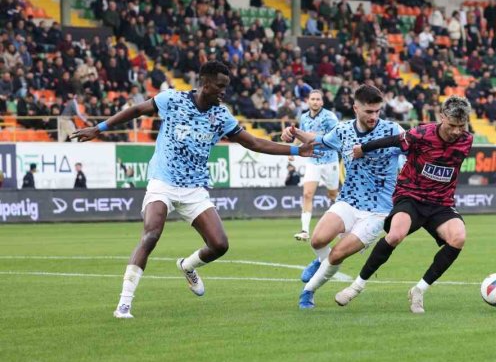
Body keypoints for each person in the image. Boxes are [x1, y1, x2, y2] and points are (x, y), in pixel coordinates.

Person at [70, 61, 316, 319]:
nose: (223, 92)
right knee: (151, 235)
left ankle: (187, 266)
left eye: (226, 87)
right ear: (205, 83)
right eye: (220, 86)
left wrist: (298, 150)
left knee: (220, 245)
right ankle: (124, 303)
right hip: (162, 181)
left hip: (194, 188)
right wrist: (99, 129)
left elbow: (253, 143)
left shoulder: (221, 116)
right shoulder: (173, 99)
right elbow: (137, 110)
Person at [335, 96, 474, 314]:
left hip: (441, 203)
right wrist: (364, 148)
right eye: (452, 125)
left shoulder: (467, 140)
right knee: (396, 235)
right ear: (442, 117)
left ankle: (419, 290)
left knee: (459, 238)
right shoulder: (422, 134)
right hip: (411, 196)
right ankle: (356, 286)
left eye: (461, 126)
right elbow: (393, 141)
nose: (457, 131)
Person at [282, 85, 404, 309]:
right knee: (317, 239)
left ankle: (308, 292)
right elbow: (320, 140)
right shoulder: (343, 130)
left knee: (337, 254)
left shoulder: (392, 130)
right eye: (369, 111)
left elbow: (410, 152)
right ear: (355, 108)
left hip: (378, 211)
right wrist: (295, 133)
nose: (374, 116)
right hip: (348, 200)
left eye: (378, 111)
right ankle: (320, 261)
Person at [292, 89, 339, 241]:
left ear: (322, 102)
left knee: (333, 195)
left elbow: (338, 135)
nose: (315, 102)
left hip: (330, 160)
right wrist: (292, 151)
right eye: (313, 99)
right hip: (313, 160)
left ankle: (339, 225)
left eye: (318, 99)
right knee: (307, 194)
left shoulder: (330, 117)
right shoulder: (304, 117)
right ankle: (304, 230)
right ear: (308, 101)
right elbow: (301, 135)